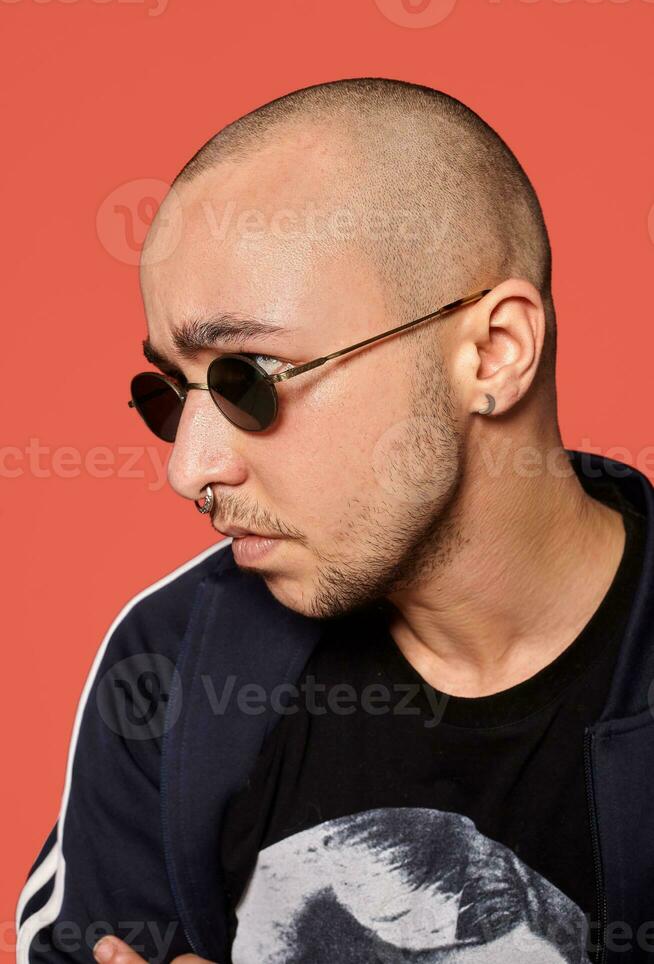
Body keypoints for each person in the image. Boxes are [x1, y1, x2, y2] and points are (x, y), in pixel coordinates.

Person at [16, 77, 654, 964]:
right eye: (170, 391)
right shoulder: (173, 667)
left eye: (250, 379)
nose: (187, 468)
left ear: (494, 353)